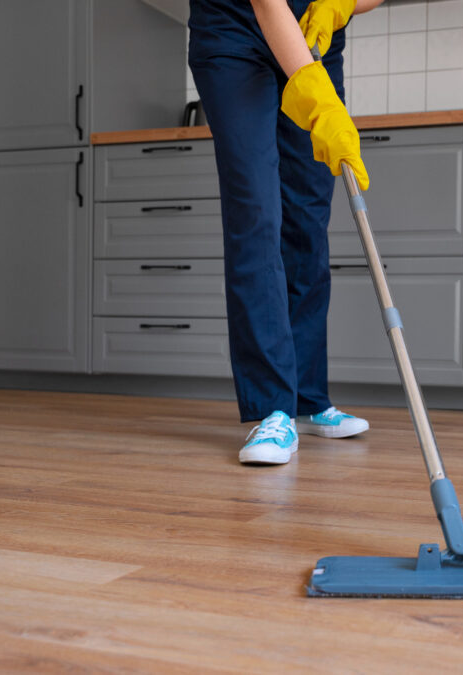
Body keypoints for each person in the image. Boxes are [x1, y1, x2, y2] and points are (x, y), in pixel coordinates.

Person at [187, 0, 384, 465]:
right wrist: (316, 100)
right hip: (234, 31)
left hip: (313, 35)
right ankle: (273, 406)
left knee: (307, 215)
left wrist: (341, 4)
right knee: (256, 212)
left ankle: (307, 398)